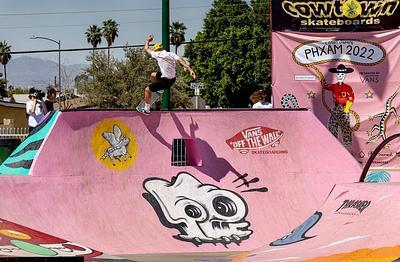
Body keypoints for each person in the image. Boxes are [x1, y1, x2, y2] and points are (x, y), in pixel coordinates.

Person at [137, 34, 196, 115]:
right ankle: (159, 89)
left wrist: (148, 40)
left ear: (157, 50)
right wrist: (190, 70)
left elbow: (146, 48)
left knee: (147, 90)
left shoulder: (157, 54)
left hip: (165, 81)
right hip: (172, 79)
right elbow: (181, 61)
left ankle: (147, 110)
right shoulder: (171, 54)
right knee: (153, 75)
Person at [323, 64, 355, 146]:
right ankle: (332, 140)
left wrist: (347, 108)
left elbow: (351, 98)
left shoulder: (348, 87)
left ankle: (347, 142)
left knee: (345, 124)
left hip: (345, 107)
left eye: (342, 74)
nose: (340, 76)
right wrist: (322, 79)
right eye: (338, 74)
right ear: (336, 75)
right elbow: (326, 86)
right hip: (336, 107)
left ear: (344, 75)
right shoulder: (334, 86)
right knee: (332, 123)